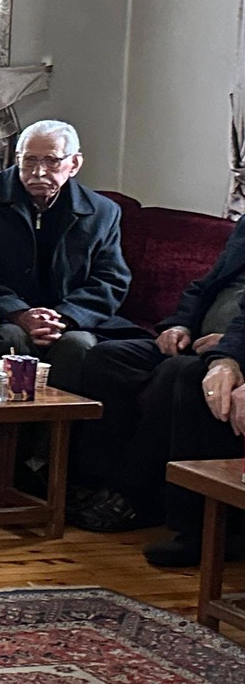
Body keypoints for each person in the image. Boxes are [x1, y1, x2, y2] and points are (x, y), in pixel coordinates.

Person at [80, 214, 245, 555]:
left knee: (179, 374)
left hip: (232, 351)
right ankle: (96, 485)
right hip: (204, 342)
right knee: (108, 358)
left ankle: (143, 500)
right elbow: (203, 286)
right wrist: (179, 325)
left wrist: (228, 349)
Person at [0, 119, 138, 401]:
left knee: (78, 345)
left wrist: (64, 317)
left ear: (74, 164)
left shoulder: (102, 211)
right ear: (17, 159)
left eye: (52, 161)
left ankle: (56, 429)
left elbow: (111, 279)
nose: (38, 172)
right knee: (11, 339)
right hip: (4, 315)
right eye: (29, 160)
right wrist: (18, 313)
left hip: (70, 321)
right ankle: (3, 427)